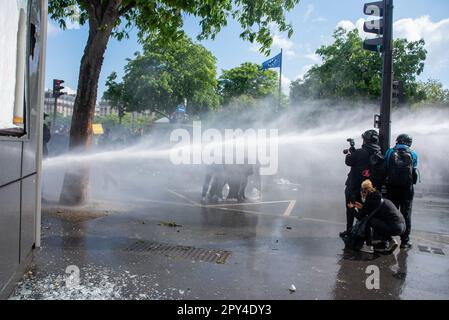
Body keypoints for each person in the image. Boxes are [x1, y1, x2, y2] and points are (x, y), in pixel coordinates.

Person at [349, 179, 406, 253]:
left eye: (362, 191)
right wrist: (362, 207)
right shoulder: (378, 197)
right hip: (403, 226)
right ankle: (391, 241)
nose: (361, 194)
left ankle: (369, 246)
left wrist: (352, 209)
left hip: (395, 227)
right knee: (376, 222)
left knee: (369, 221)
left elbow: (360, 217)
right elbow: (373, 209)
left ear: (365, 191)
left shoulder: (370, 200)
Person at [342, 130, 382, 235]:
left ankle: (350, 231)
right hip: (369, 189)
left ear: (366, 140)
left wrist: (351, 152)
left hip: (354, 186)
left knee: (351, 208)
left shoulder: (360, 152)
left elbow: (348, 161)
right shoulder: (379, 153)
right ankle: (363, 233)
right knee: (364, 211)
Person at [385, 134, 418, 249]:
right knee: (406, 214)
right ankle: (405, 241)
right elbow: (414, 174)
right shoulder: (413, 153)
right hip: (406, 190)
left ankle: (388, 239)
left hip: (392, 188)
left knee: (390, 213)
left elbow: (385, 168)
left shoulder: (389, 152)